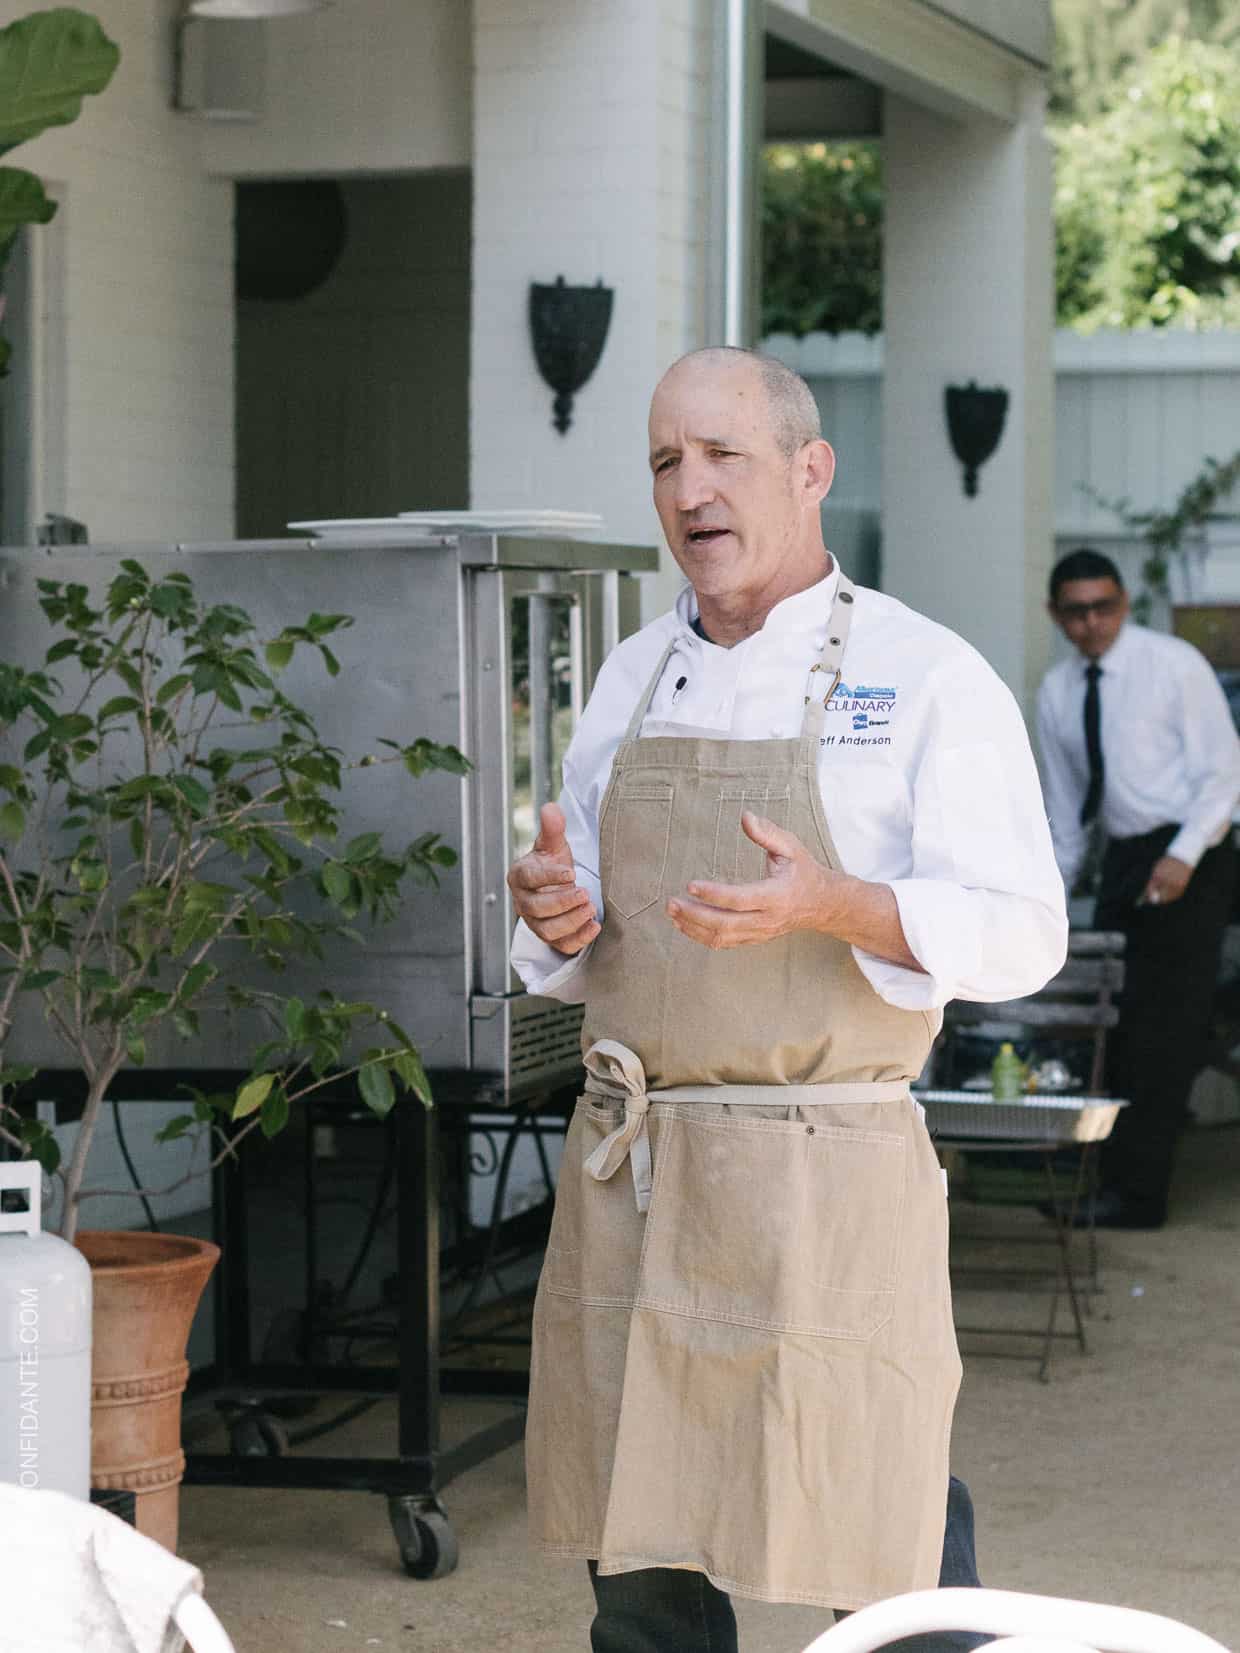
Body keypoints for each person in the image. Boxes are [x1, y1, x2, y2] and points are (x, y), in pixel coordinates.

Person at [507, 347, 1068, 1653]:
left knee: (880, 1520)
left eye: (723, 456)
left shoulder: (926, 676)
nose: (689, 489)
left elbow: (1025, 932)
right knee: (638, 1530)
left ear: (809, 471)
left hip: (830, 1169)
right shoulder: (633, 676)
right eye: (664, 461)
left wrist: (837, 903)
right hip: (638, 1167)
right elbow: (583, 917)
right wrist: (554, 915)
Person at [1037, 548, 1240, 1230]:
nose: (1092, 623)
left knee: (1164, 1032)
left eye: (1105, 607)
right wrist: (1048, 903)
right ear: (1056, 614)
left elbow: (1226, 773)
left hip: (1195, 849)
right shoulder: (1059, 691)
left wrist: (1183, 855)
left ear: (1124, 603)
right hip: (1125, 855)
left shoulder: (1172, 665)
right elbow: (1066, 817)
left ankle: (1140, 1197)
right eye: (1077, 611)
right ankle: (1105, 1177)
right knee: (1111, 1024)